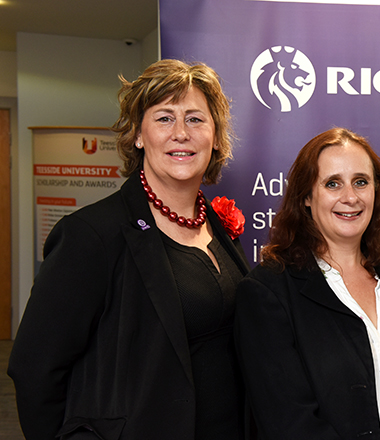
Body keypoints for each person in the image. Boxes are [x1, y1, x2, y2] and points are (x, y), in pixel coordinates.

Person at [8, 59, 250, 439]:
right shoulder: (91, 235)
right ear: (139, 135)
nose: (181, 133)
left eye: (195, 119)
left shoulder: (218, 227)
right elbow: (35, 367)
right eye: (164, 118)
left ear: (216, 136)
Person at [234, 128, 380, 439]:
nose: (350, 197)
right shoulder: (267, 292)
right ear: (307, 197)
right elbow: (289, 423)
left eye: (361, 182)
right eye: (332, 183)